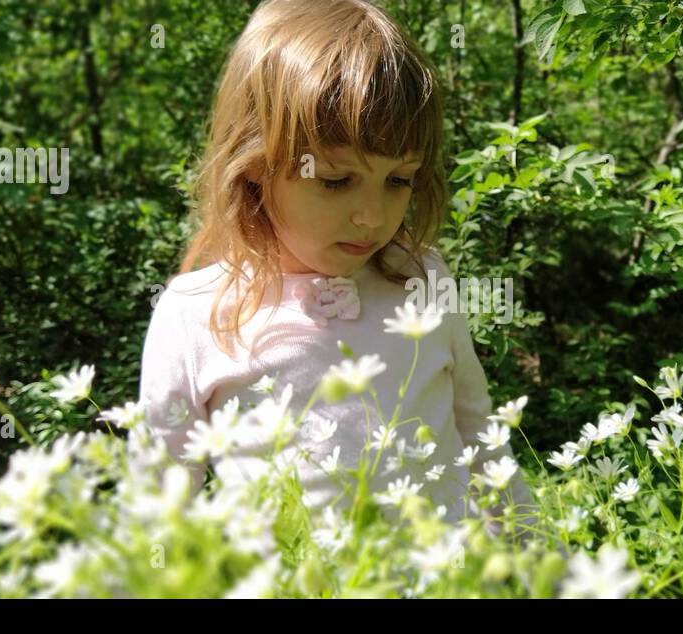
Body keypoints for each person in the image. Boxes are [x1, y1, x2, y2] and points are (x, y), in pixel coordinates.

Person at [138, 0, 533, 533]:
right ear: (255, 166)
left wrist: (539, 566)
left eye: (399, 180)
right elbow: (162, 500)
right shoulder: (194, 315)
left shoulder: (422, 279)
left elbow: (477, 429)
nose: (373, 216)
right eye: (334, 180)